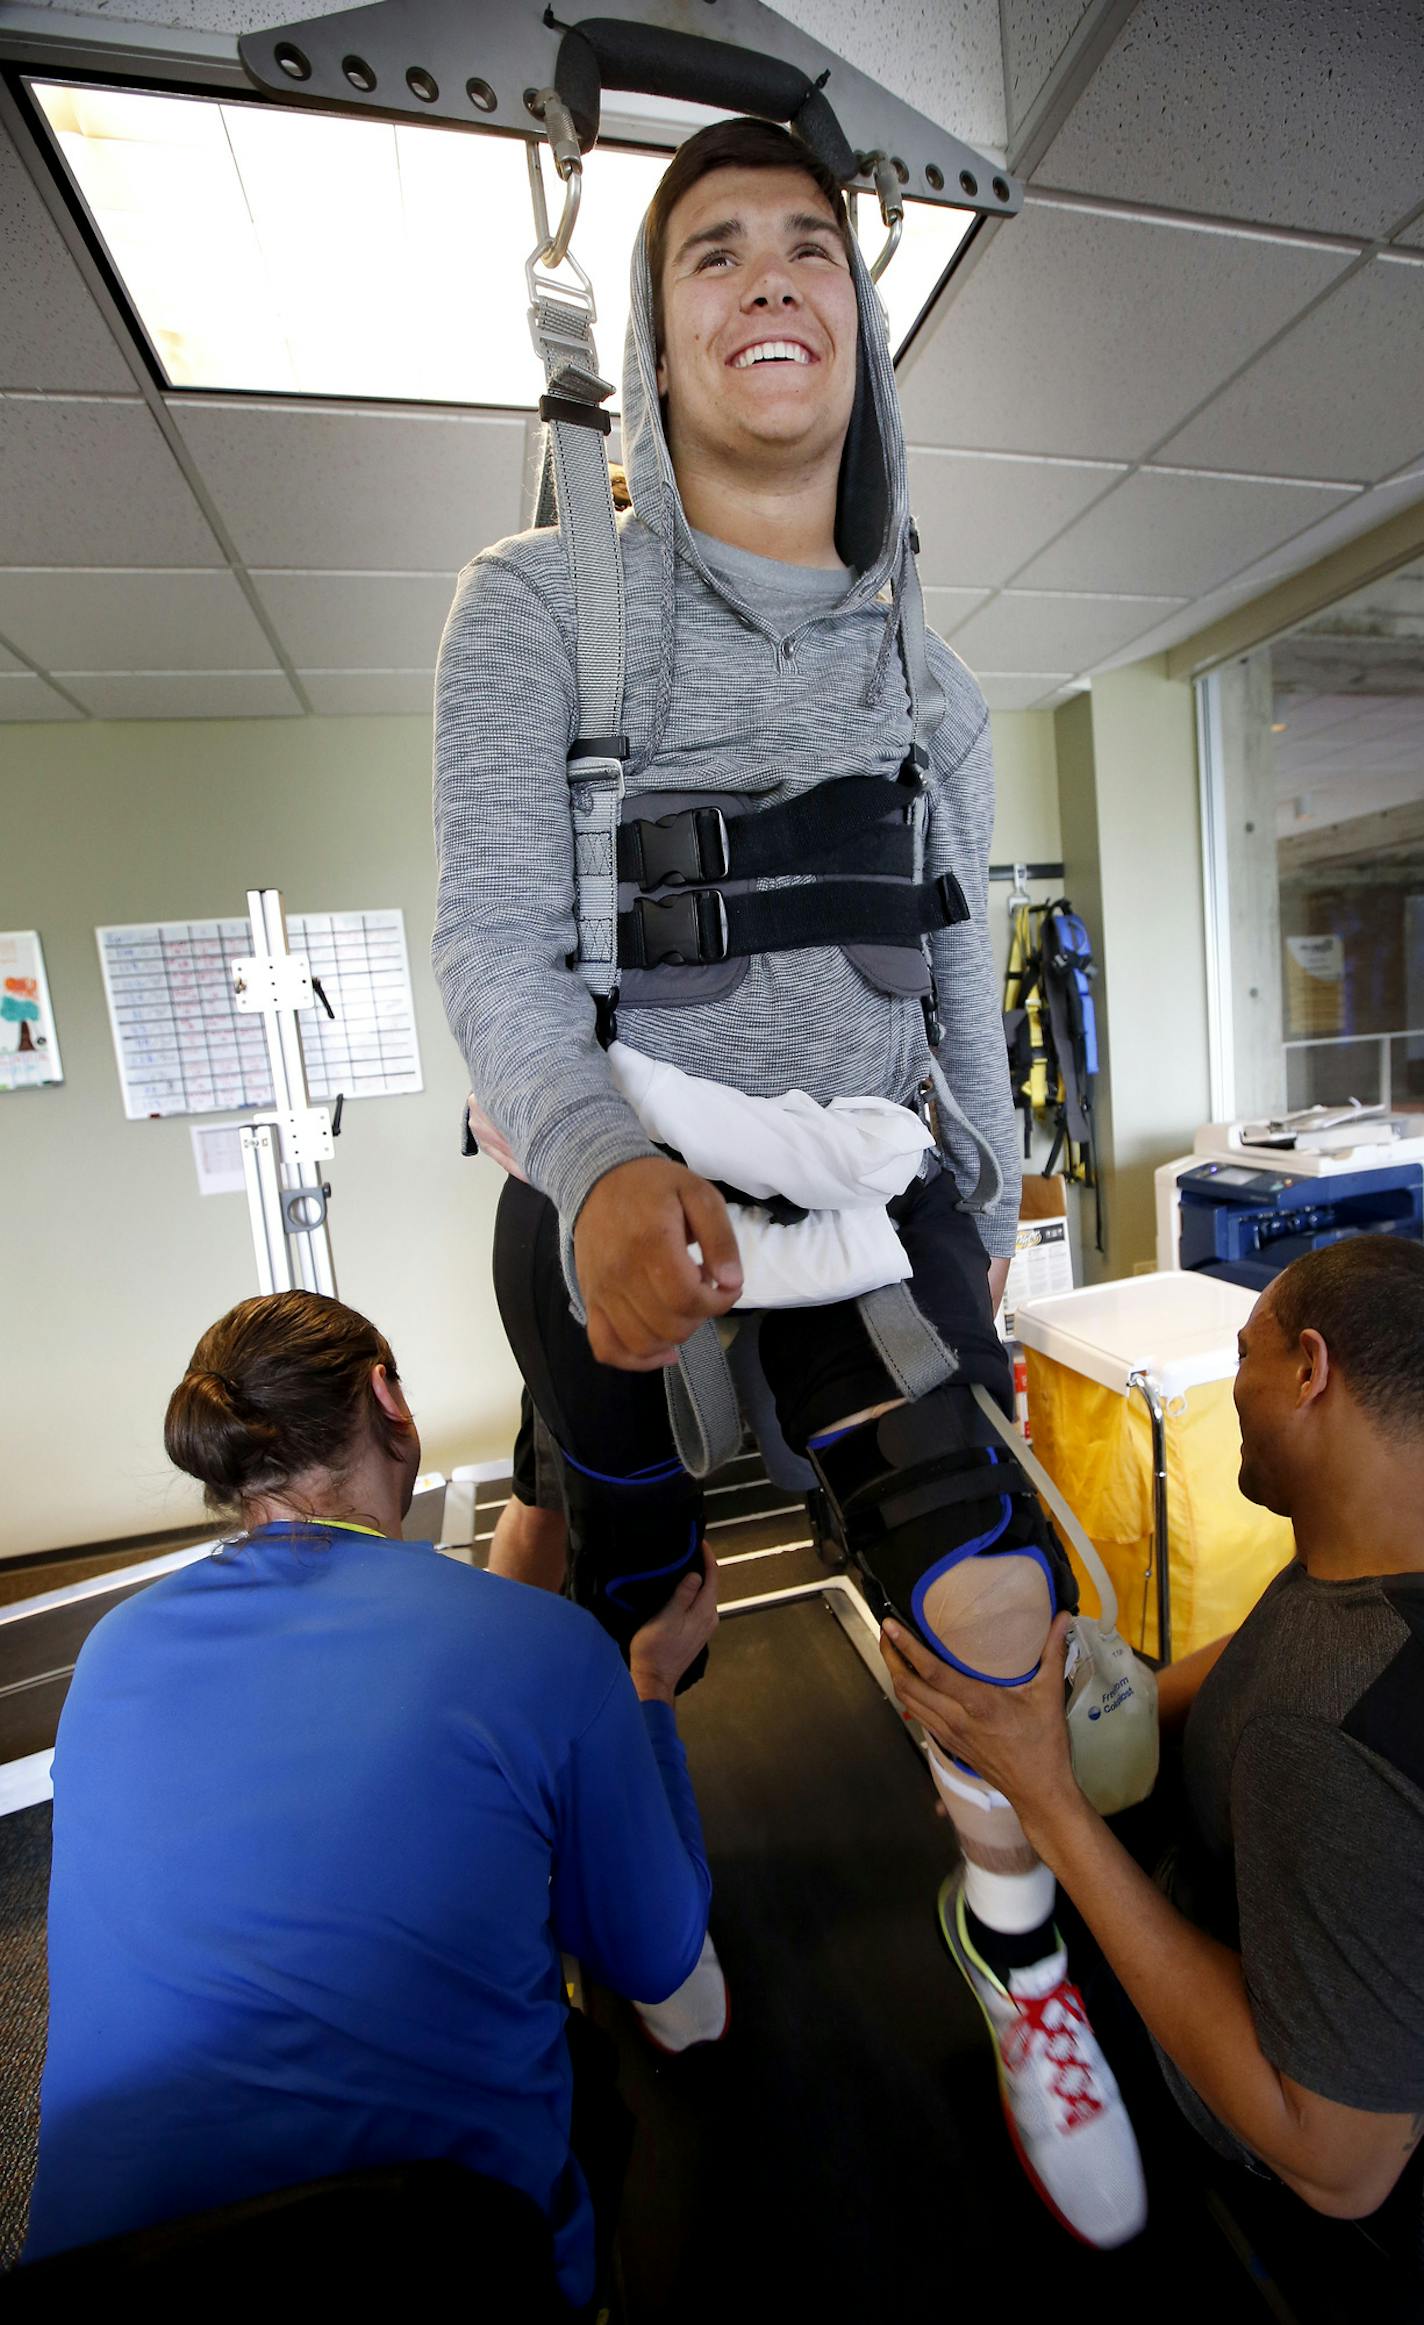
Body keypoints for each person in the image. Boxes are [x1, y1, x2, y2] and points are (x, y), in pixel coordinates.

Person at [434, 115, 1144, 2242]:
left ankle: (1019, 1955)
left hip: (861, 1207)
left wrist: (992, 1237)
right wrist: (588, 1161)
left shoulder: (929, 678)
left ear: (860, 320)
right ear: (652, 345)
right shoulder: (539, 605)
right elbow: (488, 939)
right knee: (641, 1608)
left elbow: (947, 989)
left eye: (809, 249)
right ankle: (650, 1921)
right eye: (712, 253)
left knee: (990, 1600)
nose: (768, 280)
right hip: (622, 1189)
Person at [23, 1291, 716, 2315]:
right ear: (386, 1396)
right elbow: (657, 1959)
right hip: (417, 2267)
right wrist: (647, 1689)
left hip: (101, 2290)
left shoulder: (112, 1653)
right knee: (586, 2065)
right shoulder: (546, 1650)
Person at [881, 1236, 1424, 2240]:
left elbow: (1338, 2169)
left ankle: (1023, 1980)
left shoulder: (1325, 1746)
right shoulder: (1376, 1555)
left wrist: (1042, 1798)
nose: (1230, 1386)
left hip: (1268, 2123)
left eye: (1244, 1353)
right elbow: (1283, 1634)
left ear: (1309, 1370)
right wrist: (1122, 1700)